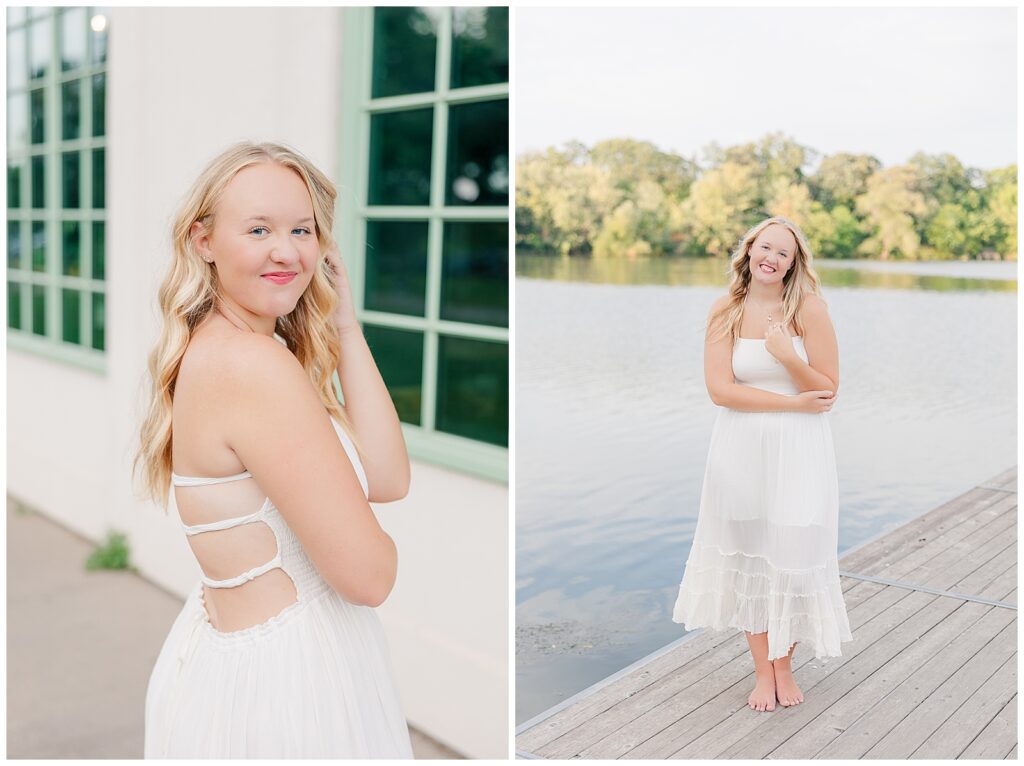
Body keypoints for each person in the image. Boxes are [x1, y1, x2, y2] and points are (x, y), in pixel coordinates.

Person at [133, 141, 414, 757]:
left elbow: (388, 477)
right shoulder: (252, 366)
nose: (286, 251)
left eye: (302, 229)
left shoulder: (237, 348)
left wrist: (345, 325)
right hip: (289, 689)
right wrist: (373, 541)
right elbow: (369, 575)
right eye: (258, 229)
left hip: (247, 664)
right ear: (203, 240)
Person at [672, 216, 853, 713]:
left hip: (800, 452)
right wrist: (793, 402)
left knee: (792, 556)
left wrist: (784, 355)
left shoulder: (809, 309)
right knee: (750, 556)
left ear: (794, 264)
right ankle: (762, 672)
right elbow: (719, 391)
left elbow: (828, 389)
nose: (772, 258)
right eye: (765, 247)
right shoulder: (724, 309)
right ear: (749, 250)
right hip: (740, 449)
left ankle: (786, 665)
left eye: (784, 253)